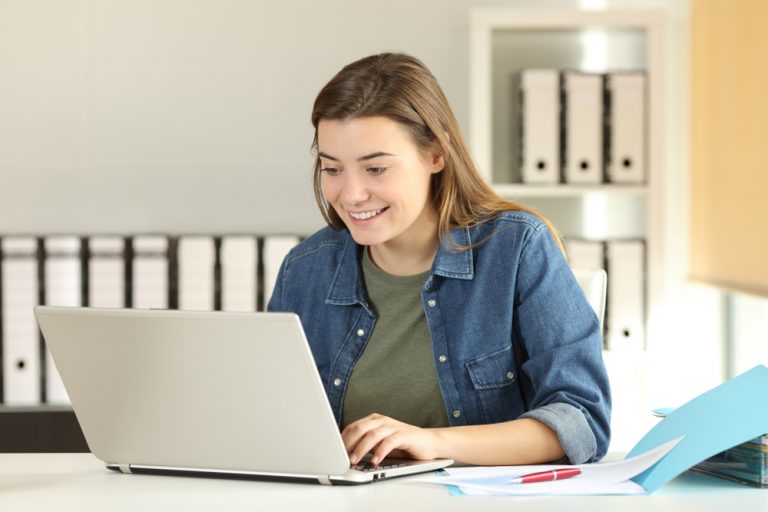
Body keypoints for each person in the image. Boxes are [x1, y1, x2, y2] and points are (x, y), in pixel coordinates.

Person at [268, 52, 611, 467]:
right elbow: (275, 422)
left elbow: (581, 420)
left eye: (375, 169)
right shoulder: (305, 269)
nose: (350, 194)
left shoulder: (517, 247)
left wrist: (435, 443)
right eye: (332, 169)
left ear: (435, 154)